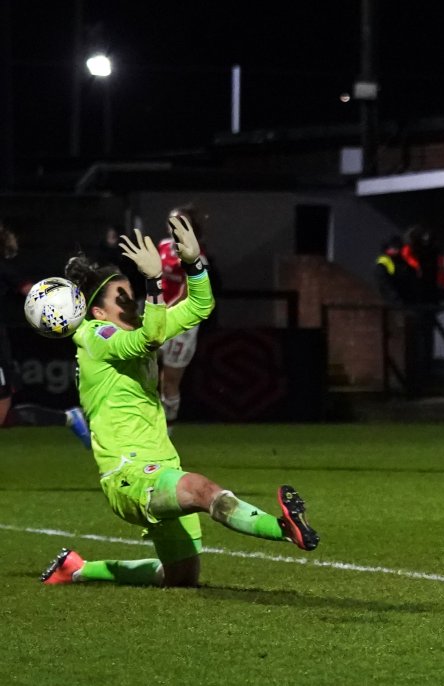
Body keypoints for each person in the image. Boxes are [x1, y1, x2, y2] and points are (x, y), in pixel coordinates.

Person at [40, 215, 318, 588]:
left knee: (181, 577)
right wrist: (155, 282)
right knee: (201, 489)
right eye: (121, 297)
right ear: (97, 312)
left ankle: (78, 569)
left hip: (161, 464)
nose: (132, 299)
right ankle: (283, 527)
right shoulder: (95, 336)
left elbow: (199, 307)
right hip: (129, 475)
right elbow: (147, 340)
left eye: (133, 292)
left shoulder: (138, 325)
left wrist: (194, 263)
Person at [0, 223, 90, 447]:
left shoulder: (4, 268)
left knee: (3, 416)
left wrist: (61, 306)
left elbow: (33, 291)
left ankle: (69, 418)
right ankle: (69, 418)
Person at [156, 205, 208, 432]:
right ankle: (152, 426)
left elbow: (186, 292)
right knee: (146, 372)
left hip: (181, 322)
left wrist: (165, 312)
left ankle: (169, 427)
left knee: (170, 380)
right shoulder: (164, 247)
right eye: (171, 221)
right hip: (160, 315)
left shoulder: (195, 255)